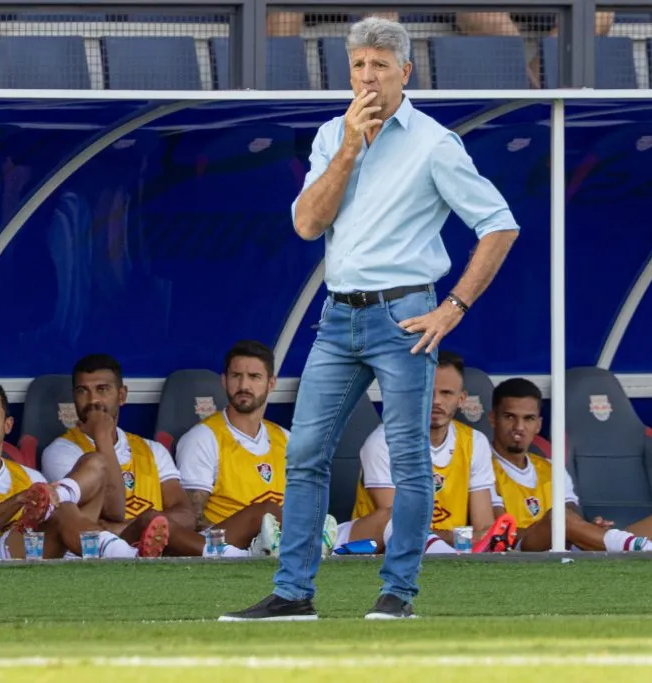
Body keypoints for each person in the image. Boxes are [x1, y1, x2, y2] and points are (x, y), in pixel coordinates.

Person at [222, 17, 518, 622]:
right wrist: (350, 149)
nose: (367, 77)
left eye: (380, 66)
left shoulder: (435, 142)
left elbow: (499, 224)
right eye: (358, 65)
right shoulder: (334, 135)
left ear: (405, 73)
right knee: (304, 453)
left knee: (409, 459)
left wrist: (452, 307)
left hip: (407, 312)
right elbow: (307, 224)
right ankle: (293, 593)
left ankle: (397, 594)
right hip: (338, 315)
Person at [0, 380, 168, 560]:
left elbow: (103, 512)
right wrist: (21, 500)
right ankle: (127, 555)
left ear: (7, 425)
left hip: (34, 547)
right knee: (61, 512)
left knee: (94, 463)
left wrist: (51, 498)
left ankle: (67, 498)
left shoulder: (29, 476)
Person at [484, 378, 652, 552]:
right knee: (559, 518)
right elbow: (499, 530)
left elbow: (573, 518)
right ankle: (646, 550)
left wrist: (589, 528)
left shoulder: (549, 467)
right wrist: (570, 527)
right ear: (493, 418)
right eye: (509, 417)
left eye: (528, 419)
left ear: (538, 424)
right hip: (520, 549)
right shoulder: (483, 464)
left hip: (570, 544)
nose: (519, 428)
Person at [177, 340, 335, 559]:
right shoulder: (203, 438)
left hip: (278, 539)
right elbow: (192, 520)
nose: (244, 386)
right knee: (264, 512)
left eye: (254, 377)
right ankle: (304, 544)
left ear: (271, 383)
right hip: (222, 545)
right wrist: (251, 533)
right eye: (236, 376)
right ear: (224, 381)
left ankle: (296, 543)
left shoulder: (287, 439)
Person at [333, 352, 496, 554]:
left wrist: (459, 540)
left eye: (446, 393)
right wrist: (456, 537)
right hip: (379, 555)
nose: (436, 401)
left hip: (452, 556)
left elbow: (484, 528)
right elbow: (400, 527)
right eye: (427, 391)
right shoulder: (385, 441)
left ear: (461, 398)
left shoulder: (475, 443)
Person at [42, 354, 196, 534]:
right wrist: (102, 436)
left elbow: (186, 516)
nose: (93, 400)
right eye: (82, 390)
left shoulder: (153, 450)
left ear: (121, 396)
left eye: (102, 389)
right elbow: (109, 512)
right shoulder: (60, 452)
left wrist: (125, 528)